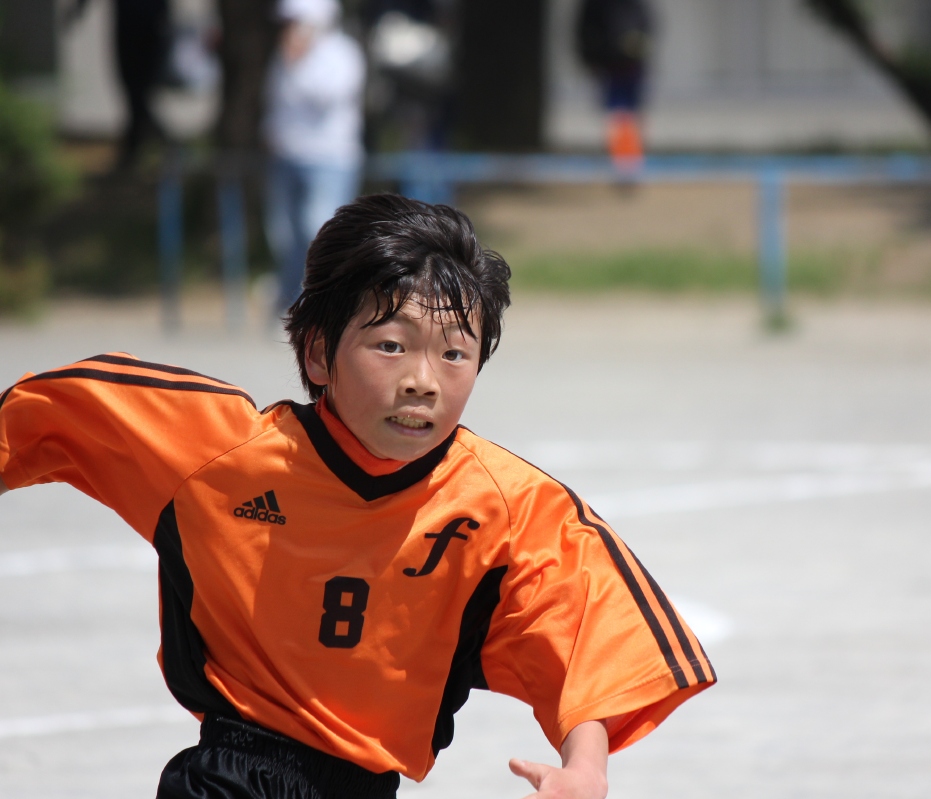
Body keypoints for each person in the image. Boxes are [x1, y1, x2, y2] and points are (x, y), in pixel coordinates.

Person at [0, 194, 714, 798]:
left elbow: (582, 633)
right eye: (391, 346)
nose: (423, 380)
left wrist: (585, 768)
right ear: (317, 352)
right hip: (229, 771)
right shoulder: (217, 453)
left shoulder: (507, 507)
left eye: (455, 353)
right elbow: (50, 414)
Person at [264, 0, 366, 313]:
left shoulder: (342, 53)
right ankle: (291, 303)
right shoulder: (284, 55)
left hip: (328, 160)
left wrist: (299, 62)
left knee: (319, 231)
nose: (290, 29)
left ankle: (325, 305)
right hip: (286, 157)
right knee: (284, 235)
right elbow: (277, 101)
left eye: (297, 21)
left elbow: (328, 96)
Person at [67, 0, 170, 169]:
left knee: (139, 88)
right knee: (135, 88)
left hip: (148, 18)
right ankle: (140, 143)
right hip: (141, 16)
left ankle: (144, 142)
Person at [574, 0, 653, 174]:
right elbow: (587, 29)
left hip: (629, 64)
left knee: (626, 114)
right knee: (619, 114)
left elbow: (646, 22)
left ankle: (628, 163)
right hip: (611, 64)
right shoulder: (597, 6)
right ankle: (624, 164)